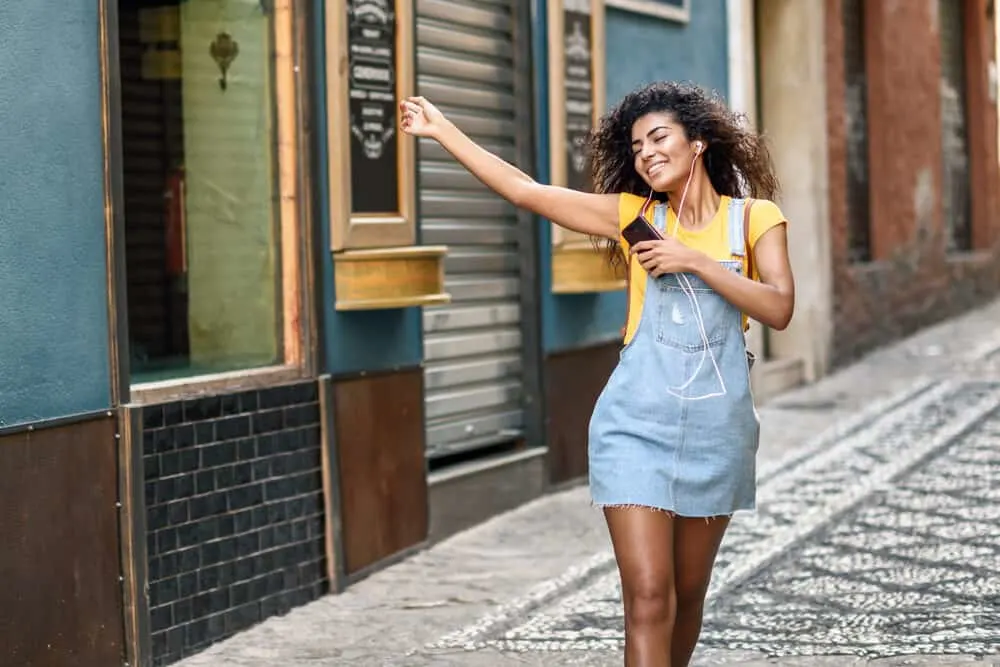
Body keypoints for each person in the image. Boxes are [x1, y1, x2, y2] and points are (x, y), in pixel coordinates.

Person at [400, 81, 794, 667]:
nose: (646, 153)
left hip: (718, 432)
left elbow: (779, 308)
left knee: (687, 597)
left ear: (699, 143)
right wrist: (443, 130)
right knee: (648, 597)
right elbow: (525, 191)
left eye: (659, 138)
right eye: (636, 146)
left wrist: (694, 260)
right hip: (634, 428)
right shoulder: (636, 218)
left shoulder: (753, 219)